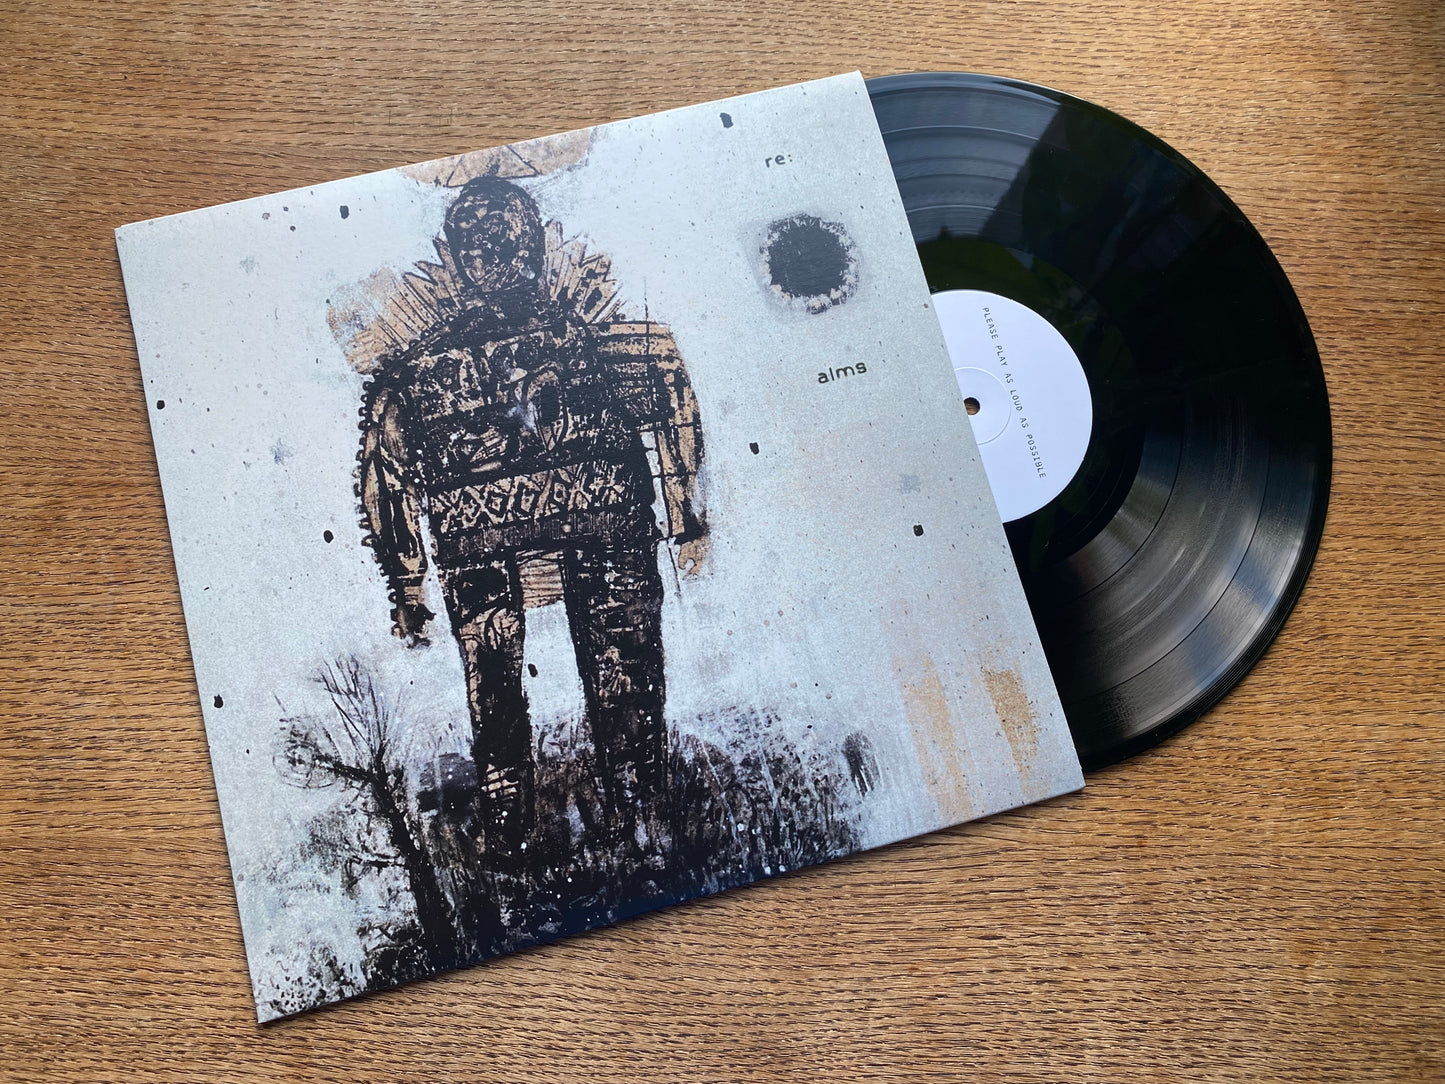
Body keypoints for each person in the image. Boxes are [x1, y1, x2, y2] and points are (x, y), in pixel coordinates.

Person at [357, 177, 705, 896]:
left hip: (557, 527)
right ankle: (574, 825)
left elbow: (385, 477)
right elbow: (384, 474)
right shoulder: (597, 343)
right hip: (547, 528)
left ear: (535, 246)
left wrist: (408, 581)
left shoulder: (417, 369)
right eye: (482, 247)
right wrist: (682, 516)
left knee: (567, 678)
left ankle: (578, 822)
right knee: (545, 680)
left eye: (504, 243)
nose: (497, 260)